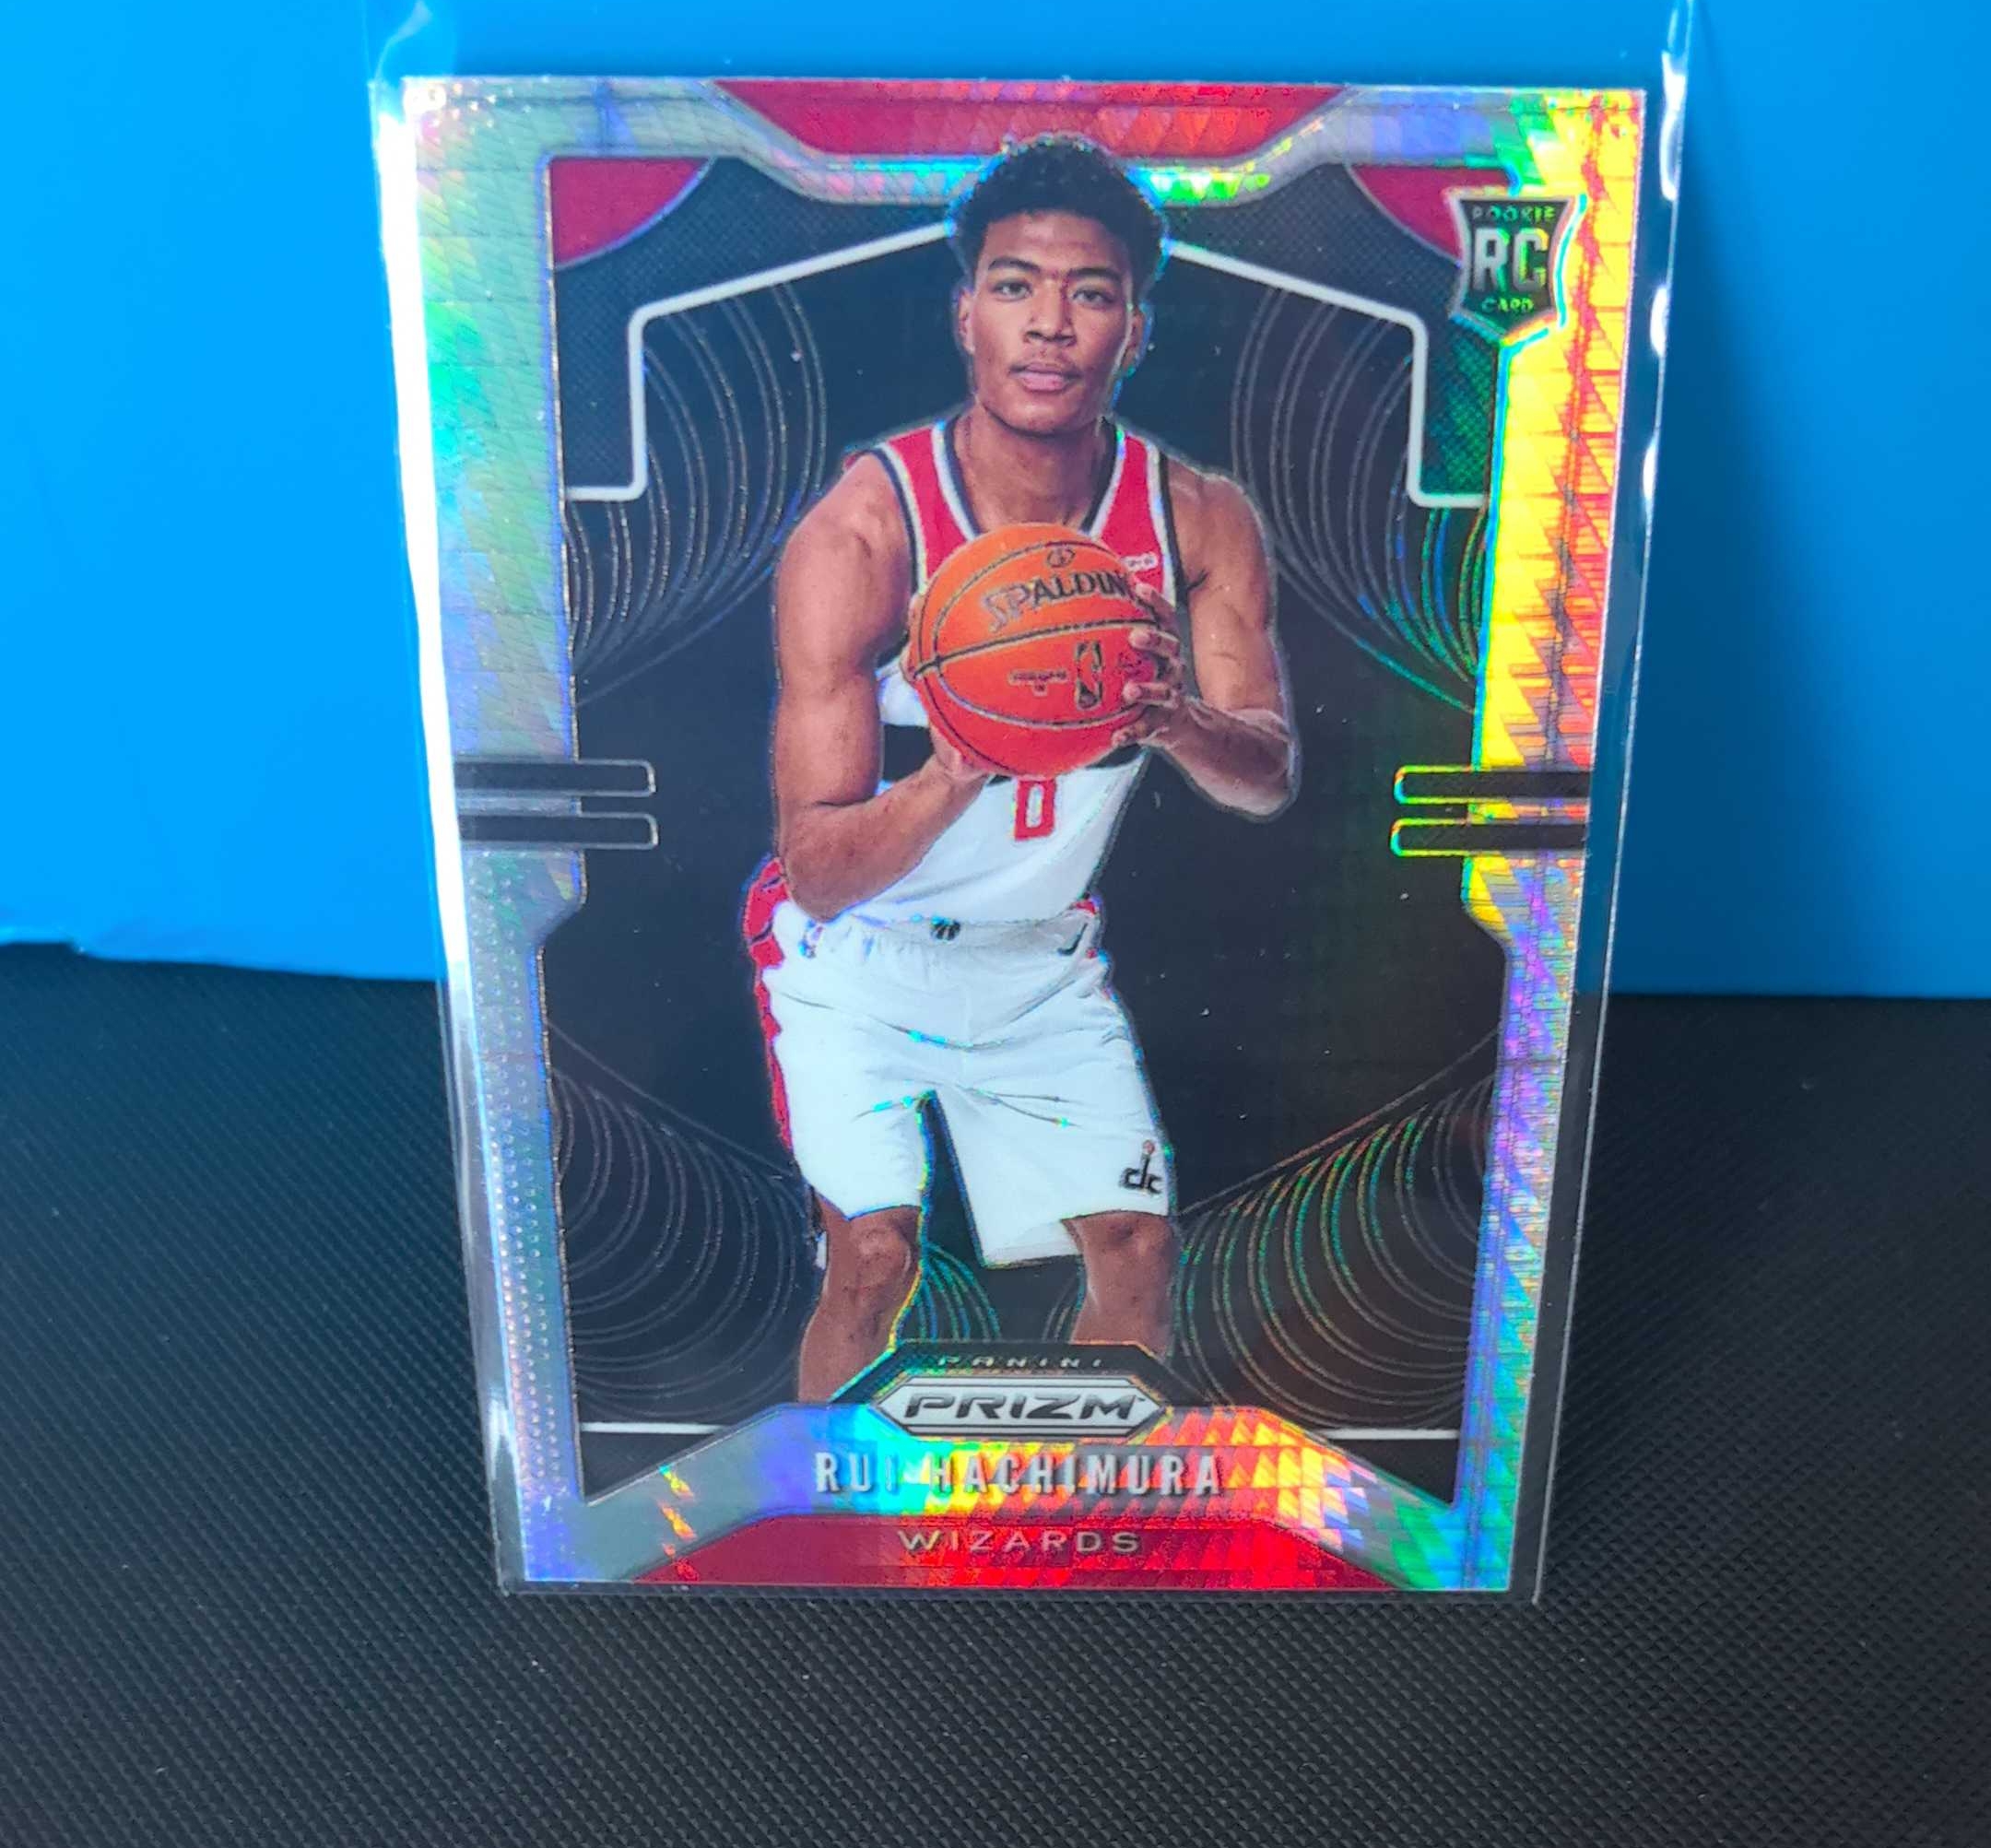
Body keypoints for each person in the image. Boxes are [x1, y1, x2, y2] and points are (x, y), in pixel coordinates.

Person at [741, 135, 1296, 1400]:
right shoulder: (867, 530)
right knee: (873, 1261)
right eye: (1014, 286)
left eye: (1090, 293)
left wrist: (1174, 719)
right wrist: (958, 768)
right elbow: (816, 870)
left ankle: (1088, 1492)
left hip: (1038, 965)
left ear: (1133, 331)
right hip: (855, 961)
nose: (1050, 323)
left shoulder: (1196, 519)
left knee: (1140, 1252)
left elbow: (1263, 774)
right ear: (966, 316)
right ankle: (818, 1483)